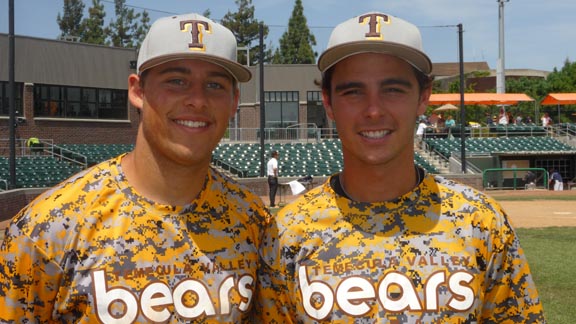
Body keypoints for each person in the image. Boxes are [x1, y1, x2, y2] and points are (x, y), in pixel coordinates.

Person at [256, 11, 545, 323]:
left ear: (423, 96)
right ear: (328, 102)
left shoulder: (481, 223)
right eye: (353, 91)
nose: (374, 110)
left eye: (393, 89)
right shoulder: (287, 234)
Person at [0, 13, 269, 322]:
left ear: (235, 101)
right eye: (176, 81)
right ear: (138, 91)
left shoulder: (253, 222)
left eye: (215, 84)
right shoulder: (47, 229)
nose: (197, 99)